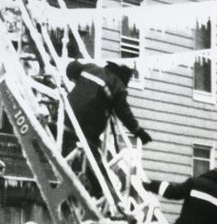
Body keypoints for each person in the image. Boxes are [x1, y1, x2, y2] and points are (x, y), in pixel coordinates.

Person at [61, 59, 153, 191]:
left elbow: (73, 68)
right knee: (94, 161)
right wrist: (138, 131)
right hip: (87, 128)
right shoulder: (118, 87)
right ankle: (104, 192)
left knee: (70, 148)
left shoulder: (91, 68)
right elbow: (125, 114)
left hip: (67, 115)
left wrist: (74, 79)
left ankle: (82, 180)